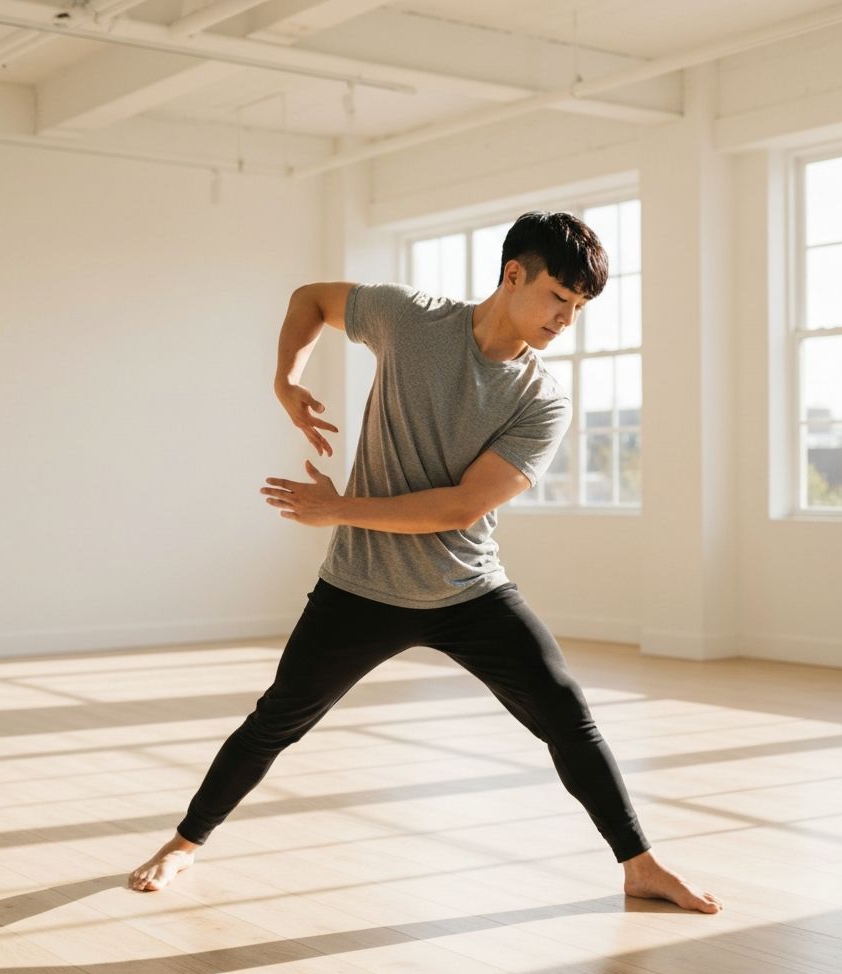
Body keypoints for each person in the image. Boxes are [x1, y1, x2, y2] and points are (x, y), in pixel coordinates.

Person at [128, 211, 722, 914]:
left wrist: (337, 509)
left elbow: (459, 509)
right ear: (513, 275)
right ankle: (184, 844)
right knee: (277, 719)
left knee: (565, 712)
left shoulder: (541, 399)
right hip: (360, 586)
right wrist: (285, 383)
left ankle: (640, 864)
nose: (567, 319)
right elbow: (311, 298)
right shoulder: (410, 320)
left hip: (466, 588)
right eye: (559, 298)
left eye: (580, 307)